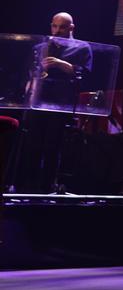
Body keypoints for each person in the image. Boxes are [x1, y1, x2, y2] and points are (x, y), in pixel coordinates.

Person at [14, 13, 94, 192]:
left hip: (61, 105)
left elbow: (86, 77)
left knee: (53, 147)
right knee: (31, 146)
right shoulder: (40, 47)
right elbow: (28, 74)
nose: (57, 31)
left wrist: (63, 65)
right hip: (37, 102)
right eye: (54, 26)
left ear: (71, 28)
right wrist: (29, 87)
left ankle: (47, 189)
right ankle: (26, 188)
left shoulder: (82, 48)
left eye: (62, 27)